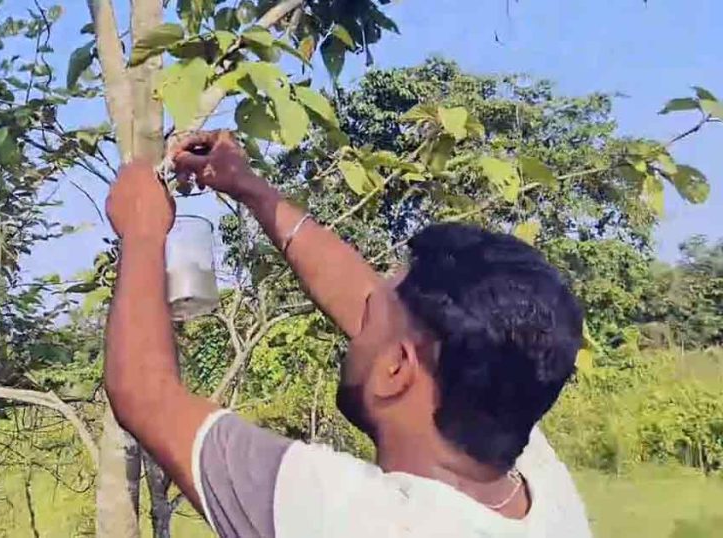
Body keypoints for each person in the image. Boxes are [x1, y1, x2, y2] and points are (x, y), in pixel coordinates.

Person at [103, 130, 592, 537]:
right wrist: (251, 187)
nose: (360, 313)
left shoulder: (353, 518)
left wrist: (142, 231)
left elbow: (145, 396)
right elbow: (378, 308)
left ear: (397, 369)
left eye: (373, 313)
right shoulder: (539, 483)